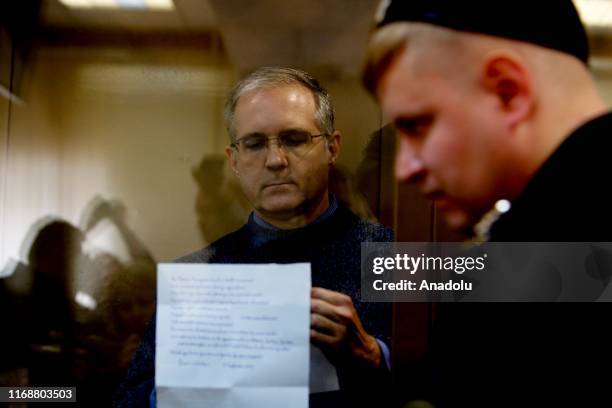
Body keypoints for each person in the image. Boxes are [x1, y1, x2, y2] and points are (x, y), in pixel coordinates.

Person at [364, 0, 612, 406]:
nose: (404, 169)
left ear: (507, 91)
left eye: (417, 126)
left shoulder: (547, 244)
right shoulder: (543, 232)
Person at [116, 67, 393, 407]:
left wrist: (372, 355)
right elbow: (129, 399)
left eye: (294, 139)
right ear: (234, 160)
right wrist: (179, 387)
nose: (275, 160)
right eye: (254, 144)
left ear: (333, 148)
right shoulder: (198, 277)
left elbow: (463, 381)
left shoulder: (396, 255)